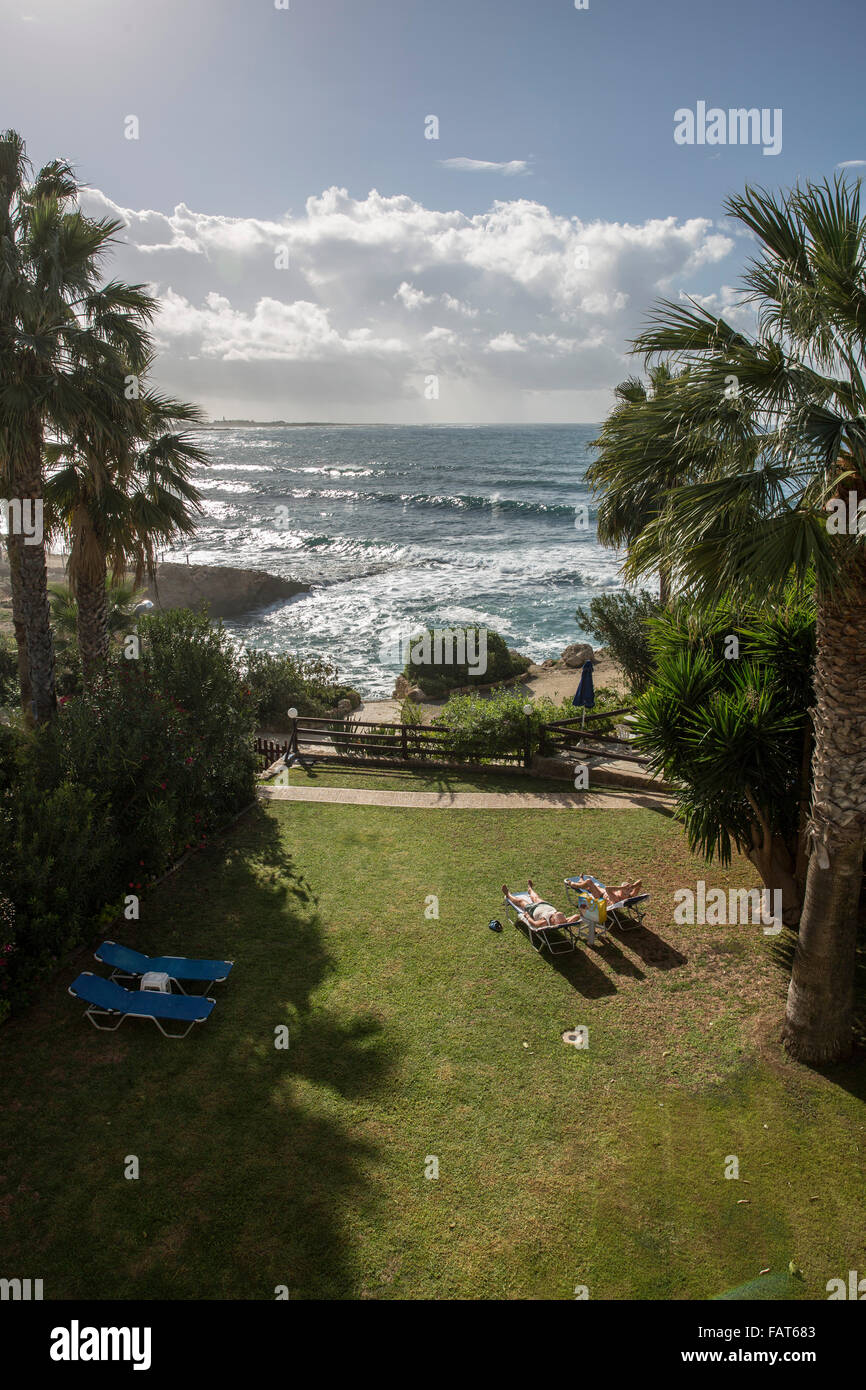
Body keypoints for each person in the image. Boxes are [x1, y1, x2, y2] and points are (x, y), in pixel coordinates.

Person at [502, 879, 584, 930]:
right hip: (546, 905)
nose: (554, 914)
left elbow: (534, 924)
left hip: (533, 909)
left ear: (554, 921)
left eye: (554, 915)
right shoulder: (563, 921)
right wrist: (569, 921)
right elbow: (577, 916)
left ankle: (508, 894)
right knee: (536, 898)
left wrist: (527, 916)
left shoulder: (544, 922)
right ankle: (530, 889)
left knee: (521, 901)